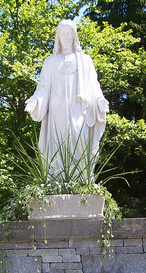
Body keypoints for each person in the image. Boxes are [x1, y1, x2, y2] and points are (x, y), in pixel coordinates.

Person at [25, 19, 109, 177]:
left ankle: (81, 183)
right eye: (62, 34)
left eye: (69, 33)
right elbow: (43, 87)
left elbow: (93, 85)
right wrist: (35, 100)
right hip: (57, 114)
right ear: (58, 36)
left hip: (78, 111)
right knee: (57, 146)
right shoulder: (50, 61)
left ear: (74, 35)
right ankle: (56, 182)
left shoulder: (85, 60)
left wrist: (99, 100)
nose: (65, 37)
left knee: (81, 140)